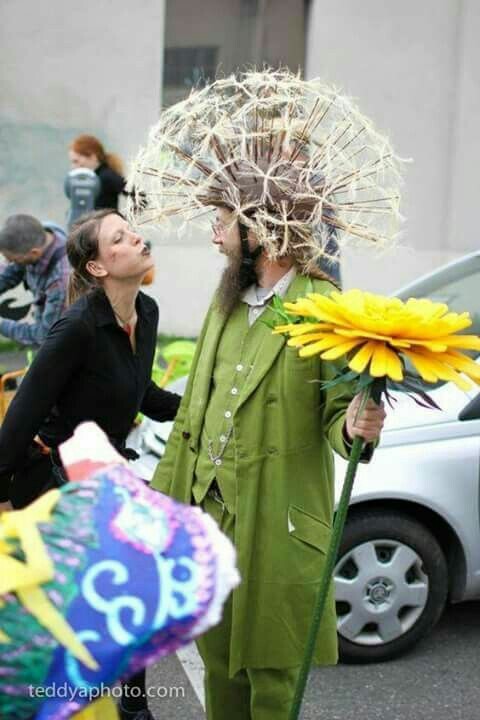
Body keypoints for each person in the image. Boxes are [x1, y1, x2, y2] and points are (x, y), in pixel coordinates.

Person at [127, 70, 402, 719]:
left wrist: (356, 425)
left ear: (263, 227)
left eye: (223, 222)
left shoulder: (323, 307)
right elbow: (194, 420)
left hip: (279, 524)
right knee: (219, 667)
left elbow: (337, 421)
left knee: (274, 680)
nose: (215, 235)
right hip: (209, 519)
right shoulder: (225, 301)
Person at [0, 208, 181, 720]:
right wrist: (7, 504)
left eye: (132, 230)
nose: (137, 238)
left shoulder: (146, 312)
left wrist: (203, 407)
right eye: (119, 237)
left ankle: (132, 706)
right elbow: (18, 422)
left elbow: (141, 392)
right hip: (56, 481)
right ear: (98, 267)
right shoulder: (75, 328)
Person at [0, 214, 70, 346]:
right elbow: (12, 271)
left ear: (35, 253)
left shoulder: (60, 283)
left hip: (68, 343)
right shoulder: (39, 234)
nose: (8, 264)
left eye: (14, 260)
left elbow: (45, 337)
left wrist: (2, 325)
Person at [69, 134, 128, 210]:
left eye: (76, 161)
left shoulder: (106, 176)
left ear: (92, 156)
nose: (73, 167)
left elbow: (131, 191)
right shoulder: (93, 178)